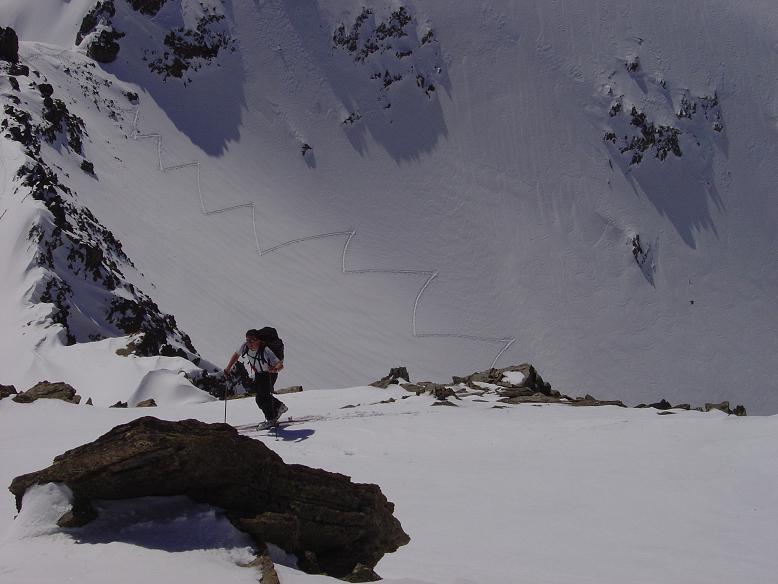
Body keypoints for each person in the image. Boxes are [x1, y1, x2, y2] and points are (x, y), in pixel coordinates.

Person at [224, 329, 286, 430]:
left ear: (259, 341)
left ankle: (271, 418)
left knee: (262, 397)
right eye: (248, 340)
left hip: (269, 374)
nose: (250, 343)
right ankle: (278, 408)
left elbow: (280, 364)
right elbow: (236, 355)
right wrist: (228, 368)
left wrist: (275, 369)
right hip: (259, 373)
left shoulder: (265, 350)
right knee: (260, 397)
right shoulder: (244, 346)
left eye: (253, 340)